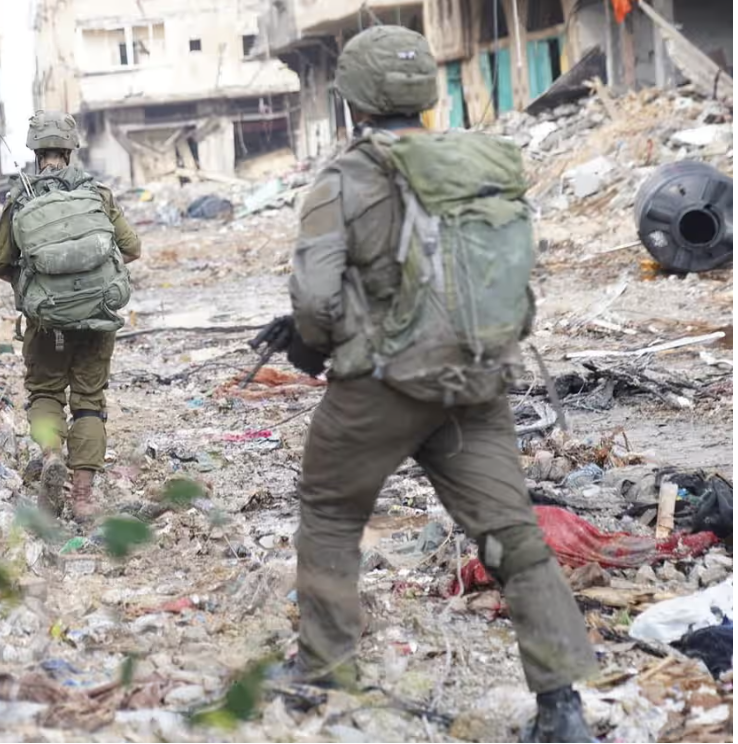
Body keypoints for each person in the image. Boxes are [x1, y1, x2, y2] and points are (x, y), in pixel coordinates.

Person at [253, 26, 597, 742]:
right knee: (513, 538)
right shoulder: (473, 161)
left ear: (351, 98)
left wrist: (313, 349)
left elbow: (315, 300)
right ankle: (562, 706)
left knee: (330, 512)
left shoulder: (344, 177)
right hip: (474, 379)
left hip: (381, 389)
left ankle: (324, 669)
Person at [0, 110, 141, 521]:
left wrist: (38, 285)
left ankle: (52, 455)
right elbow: (131, 249)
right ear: (71, 149)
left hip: (45, 322)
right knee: (89, 403)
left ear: (35, 151)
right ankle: (85, 497)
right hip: (97, 316)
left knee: (46, 394)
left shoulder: (21, 199)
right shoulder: (97, 194)